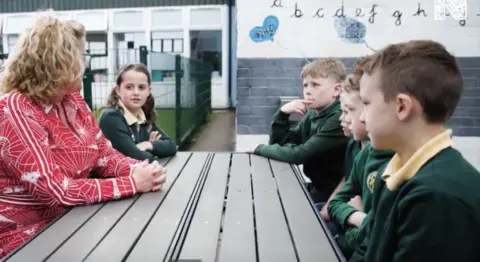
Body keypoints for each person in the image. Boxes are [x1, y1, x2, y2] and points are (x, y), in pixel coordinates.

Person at [0, 14, 166, 258]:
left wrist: (140, 170)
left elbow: (102, 154)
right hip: (26, 237)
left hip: (74, 220)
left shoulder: (72, 100)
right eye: (81, 56)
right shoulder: (14, 109)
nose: (85, 64)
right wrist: (131, 183)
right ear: (58, 62)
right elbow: (54, 190)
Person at [351, 40, 480, 262]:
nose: (361, 117)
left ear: (402, 106)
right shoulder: (395, 175)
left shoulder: (437, 198)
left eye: (366, 103)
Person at [252, 58, 349, 205]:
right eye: (305, 85)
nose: (308, 91)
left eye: (315, 85)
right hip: (318, 188)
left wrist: (258, 149)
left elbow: (299, 155)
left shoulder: (338, 117)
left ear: (337, 89)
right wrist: (282, 115)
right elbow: (283, 143)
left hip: (336, 196)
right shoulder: (314, 113)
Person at [327, 71, 394, 259]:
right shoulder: (366, 152)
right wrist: (358, 217)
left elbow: (375, 238)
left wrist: (358, 221)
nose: (343, 118)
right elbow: (335, 204)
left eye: (349, 110)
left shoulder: (399, 166)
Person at [99, 63, 177, 161]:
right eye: (129, 87)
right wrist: (153, 150)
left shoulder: (142, 117)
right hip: (112, 176)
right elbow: (137, 157)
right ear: (118, 90)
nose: (136, 93)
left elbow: (171, 146)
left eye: (141, 87)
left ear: (148, 91)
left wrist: (149, 144)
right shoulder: (111, 117)